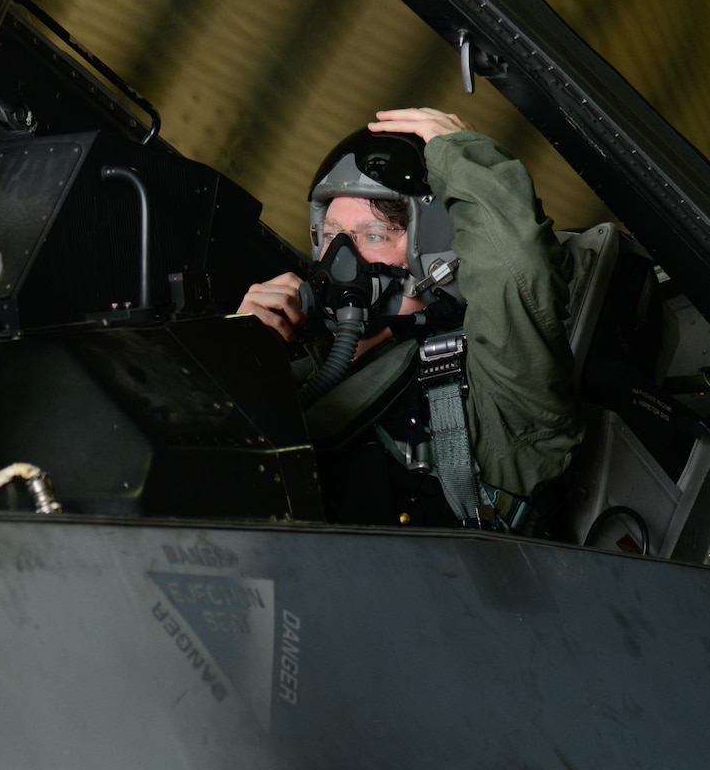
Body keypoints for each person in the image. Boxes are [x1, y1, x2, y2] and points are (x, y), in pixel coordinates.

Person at [239, 107, 581, 530]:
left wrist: (461, 155)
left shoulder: (496, 385)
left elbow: (516, 271)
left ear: (435, 252)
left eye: (375, 235)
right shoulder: (298, 367)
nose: (341, 257)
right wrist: (235, 357)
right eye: (331, 235)